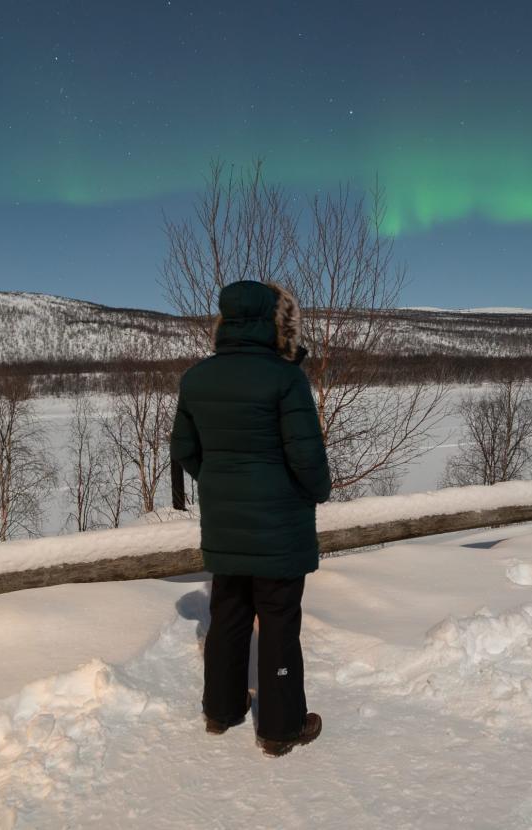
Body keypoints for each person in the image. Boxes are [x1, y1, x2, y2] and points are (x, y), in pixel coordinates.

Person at [170, 279, 332, 758]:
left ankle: (221, 711)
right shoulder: (286, 379)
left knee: (229, 614)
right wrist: (312, 493)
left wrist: (221, 483)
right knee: (279, 622)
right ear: (273, 322)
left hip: (225, 521)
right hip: (279, 527)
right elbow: (308, 461)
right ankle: (281, 728)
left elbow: (184, 450)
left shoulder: (197, 378)